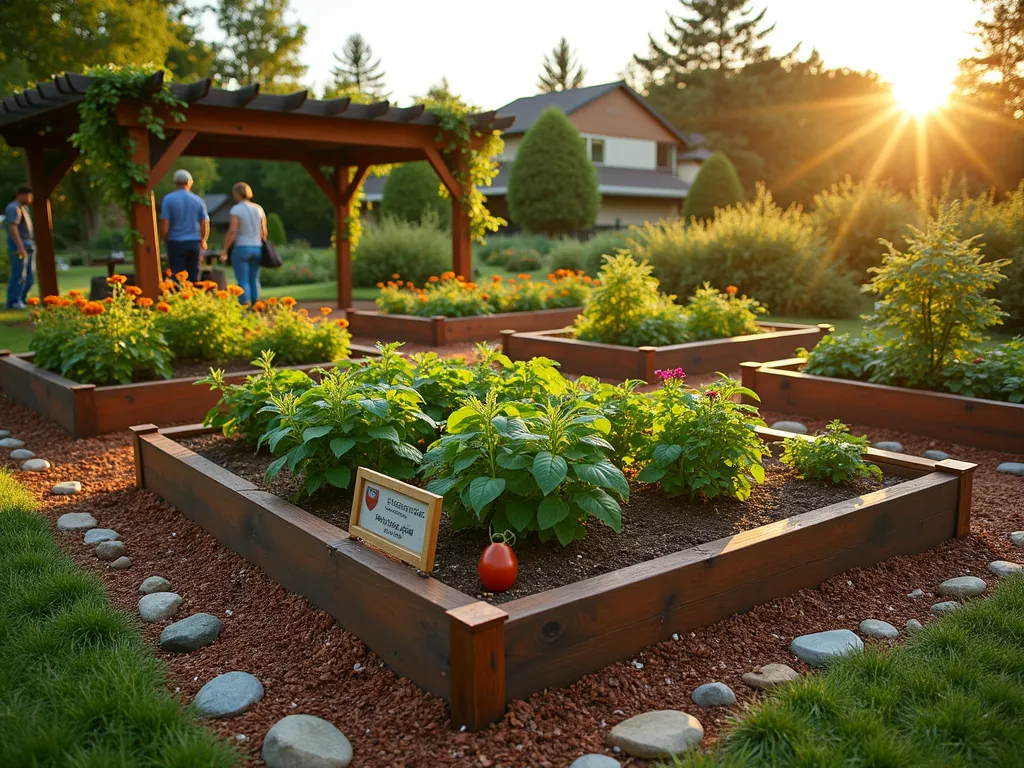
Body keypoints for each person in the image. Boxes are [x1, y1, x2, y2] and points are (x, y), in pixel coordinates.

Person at [221, 182, 267, 305]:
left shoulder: (236, 209)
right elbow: (264, 232)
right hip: (257, 247)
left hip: (242, 246)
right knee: (254, 279)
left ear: (237, 194)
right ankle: (255, 304)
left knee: (243, 279)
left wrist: (225, 249)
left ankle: (245, 305)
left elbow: (233, 231)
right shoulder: (258, 208)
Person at [159, 169, 209, 282]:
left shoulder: (168, 199)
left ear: (175, 182)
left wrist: (164, 238)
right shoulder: (198, 200)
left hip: (175, 242)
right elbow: (204, 222)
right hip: (194, 242)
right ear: (190, 182)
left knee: (177, 275)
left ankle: (180, 297)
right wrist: (203, 239)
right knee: (194, 275)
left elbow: (165, 222)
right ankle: (193, 297)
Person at [5, 184, 34, 309]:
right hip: (19, 245)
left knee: (29, 276)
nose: (30, 198)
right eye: (28, 195)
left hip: (28, 244)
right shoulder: (14, 208)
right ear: (20, 195)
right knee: (19, 274)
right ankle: (13, 301)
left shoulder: (23, 208)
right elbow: (13, 227)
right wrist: (20, 246)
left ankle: (22, 298)